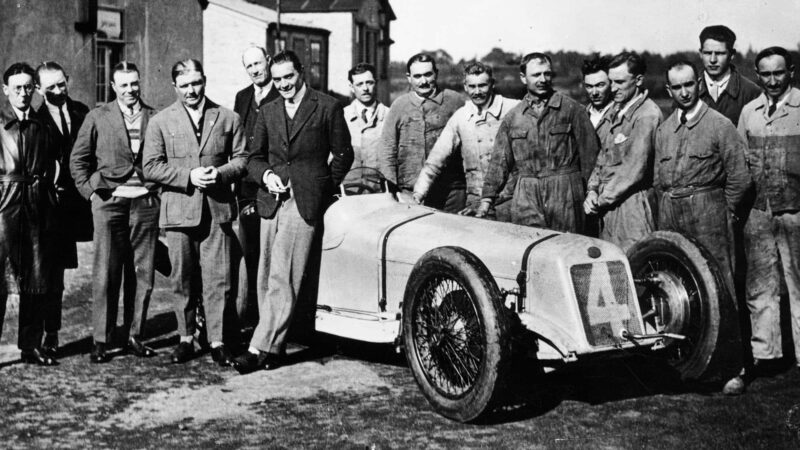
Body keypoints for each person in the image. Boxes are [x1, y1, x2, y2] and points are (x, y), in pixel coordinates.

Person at [233, 50, 353, 373]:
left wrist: (321, 188)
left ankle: (257, 347)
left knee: (282, 275)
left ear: (301, 73)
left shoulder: (327, 106)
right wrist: (267, 176)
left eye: (289, 77)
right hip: (271, 201)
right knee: (265, 275)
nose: (284, 84)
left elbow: (343, 155)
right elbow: (253, 158)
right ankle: (276, 346)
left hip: (304, 203)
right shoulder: (268, 110)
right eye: (277, 79)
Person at [654, 60, 752, 395]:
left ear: (698, 84)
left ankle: (731, 368)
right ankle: (686, 366)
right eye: (676, 87)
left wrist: (723, 213)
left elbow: (740, 177)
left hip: (708, 214)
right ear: (668, 90)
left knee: (721, 287)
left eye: (688, 85)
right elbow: (657, 180)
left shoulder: (720, 125)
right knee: (679, 287)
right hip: (671, 213)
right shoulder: (665, 130)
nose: (683, 92)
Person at [143, 59, 246, 366]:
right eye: (185, 85)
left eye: (196, 83)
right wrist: (188, 176)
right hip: (179, 212)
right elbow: (150, 167)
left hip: (217, 211)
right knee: (182, 279)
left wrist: (222, 173)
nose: (191, 90)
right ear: (175, 87)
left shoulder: (227, 117)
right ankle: (186, 338)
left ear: (205, 81)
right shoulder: (161, 121)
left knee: (219, 279)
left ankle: (217, 340)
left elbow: (242, 160)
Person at [70, 62, 160, 363]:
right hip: (110, 204)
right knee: (106, 273)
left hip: (145, 204)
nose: (130, 90)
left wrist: (155, 193)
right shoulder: (98, 116)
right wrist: (92, 194)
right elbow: (78, 161)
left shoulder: (155, 116)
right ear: (113, 87)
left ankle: (135, 335)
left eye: (134, 83)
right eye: (124, 85)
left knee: (143, 275)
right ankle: (101, 340)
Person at [476, 52, 598, 232]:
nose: (543, 79)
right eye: (536, 75)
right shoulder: (513, 118)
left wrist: (593, 189)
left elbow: (592, 157)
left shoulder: (572, 110)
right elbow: (499, 163)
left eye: (547, 74)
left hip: (565, 194)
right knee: (529, 248)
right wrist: (487, 199)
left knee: (567, 248)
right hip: (526, 196)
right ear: (523, 78)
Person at [736, 46, 800, 385]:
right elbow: (739, 161)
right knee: (760, 286)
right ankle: (767, 355)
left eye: (779, 73)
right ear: (757, 75)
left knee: (799, 285)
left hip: (796, 212)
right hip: (758, 213)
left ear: (790, 71)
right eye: (765, 74)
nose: (772, 80)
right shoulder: (750, 112)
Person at [0, 62, 56, 366]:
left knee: (35, 280)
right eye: (17, 87)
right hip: (3, 211)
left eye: (28, 87)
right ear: (6, 90)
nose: (23, 93)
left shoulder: (42, 124)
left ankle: (30, 345)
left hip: (36, 208)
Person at [33, 61, 91, 359]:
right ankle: (50, 333)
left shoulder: (83, 111)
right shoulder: (34, 120)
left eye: (61, 84)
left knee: (133, 243)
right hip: (55, 208)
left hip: (87, 201)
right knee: (53, 275)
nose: (58, 91)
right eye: (50, 87)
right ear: (39, 90)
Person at [413, 62, 519, 216]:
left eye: (482, 85)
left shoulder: (513, 109)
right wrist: (418, 194)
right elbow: (436, 159)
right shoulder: (461, 116)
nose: (477, 91)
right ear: (465, 86)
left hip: (510, 199)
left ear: (492, 84)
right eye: (472, 86)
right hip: (475, 201)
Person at [583, 52, 662, 251]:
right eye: (611, 82)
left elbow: (634, 169)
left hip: (633, 207)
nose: (614, 88)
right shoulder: (614, 111)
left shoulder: (647, 115)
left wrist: (600, 199)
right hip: (608, 205)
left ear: (638, 80)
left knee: (633, 266)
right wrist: (592, 190)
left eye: (620, 82)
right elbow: (602, 158)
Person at [378, 53, 465, 212]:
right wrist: (392, 189)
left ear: (436, 73)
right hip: (409, 192)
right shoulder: (399, 105)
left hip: (451, 191)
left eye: (428, 74)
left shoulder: (455, 101)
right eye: (417, 76)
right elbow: (387, 148)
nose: (423, 81)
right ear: (409, 78)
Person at [232, 46, 281, 330]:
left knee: (269, 253)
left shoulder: (282, 94)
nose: (254, 70)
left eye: (258, 64)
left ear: (269, 62)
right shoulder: (243, 97)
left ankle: (269, 318)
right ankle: (250, 316)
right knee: (248, 252)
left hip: (270, 182)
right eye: (249, 66)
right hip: (245, 186)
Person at [697, 25, 761, 126]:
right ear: (700, 53)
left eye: (720, 53)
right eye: (708, 53)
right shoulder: (687, 90)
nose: (713, 60)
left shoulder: (751, 92)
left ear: (732, 54)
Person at [344, 62, 388, 169]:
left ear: (376, 83)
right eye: (359, 84)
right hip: (350, 183)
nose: (365, 88)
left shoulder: (389, 115)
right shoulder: (342, 116)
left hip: (379, 183)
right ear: (351, 87)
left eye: (369, 83)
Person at [582, 55, 614, 129]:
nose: (594, 93)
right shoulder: (580, 115)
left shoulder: (621, 114)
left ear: (611, 84)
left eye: (600, 85)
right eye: (589, 86)